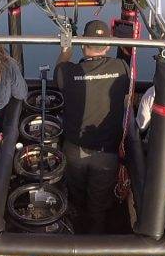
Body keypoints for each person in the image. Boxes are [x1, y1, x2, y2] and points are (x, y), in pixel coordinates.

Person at [54, 20, 130, 233]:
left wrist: (66, 47)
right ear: (107, 46)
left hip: (75, 149)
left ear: (82, 44)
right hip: (106, 154)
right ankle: (94, 243)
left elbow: (61, 65)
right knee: (98, 206)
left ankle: (75, 233)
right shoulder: (121, 68)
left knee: (77, 198)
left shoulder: (68, 73)